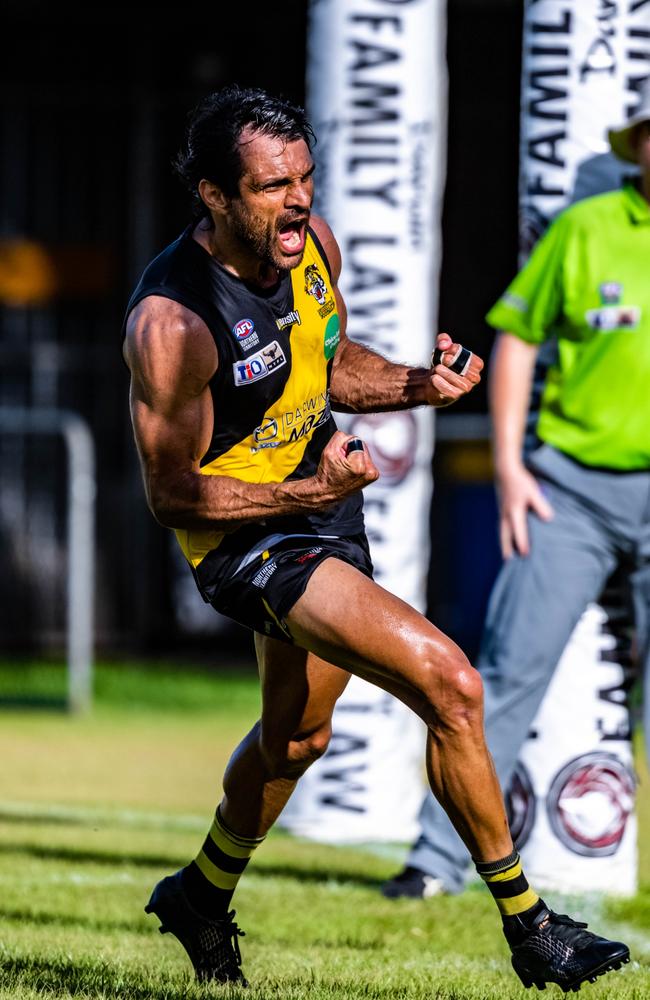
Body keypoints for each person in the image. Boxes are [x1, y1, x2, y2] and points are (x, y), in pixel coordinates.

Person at [123, 85, 628, 992]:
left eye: (305, 178)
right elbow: (172, 494)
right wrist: (311, 486)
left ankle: (200, 895)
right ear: (213, 194)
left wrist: (413, 385)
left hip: (321, 508)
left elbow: (328, 365)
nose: (300, 199)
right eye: (273, 184)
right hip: (244, 541)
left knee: (297, 741)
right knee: (453, 683)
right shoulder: (173, 325)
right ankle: (532, 928)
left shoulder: (312, 248)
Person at [383, 83, 650, 908]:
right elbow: (517, 340)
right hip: (568, 491)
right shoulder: (584, 228)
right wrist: (510, 467)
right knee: (496, 676)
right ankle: (434, 859)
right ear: (637, 145)